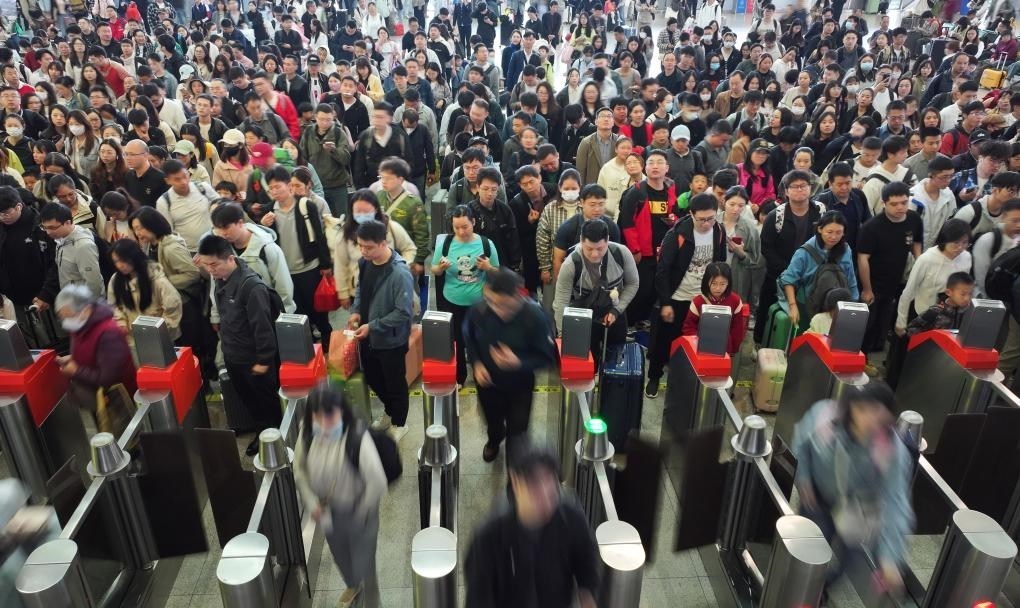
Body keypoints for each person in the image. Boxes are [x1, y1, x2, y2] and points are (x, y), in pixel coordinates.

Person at [792, 382, 914, 600]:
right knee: (808, 547)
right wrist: (804, 477)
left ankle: (821, 588)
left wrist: (890, 557)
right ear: (850, 406)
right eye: (862, 409)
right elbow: (802, 442)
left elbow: (896, 502)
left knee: (847, 561)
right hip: (818, 499)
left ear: (888, 413)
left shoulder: (891, 450)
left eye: (876, 410)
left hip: (858, 512)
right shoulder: (824, 418)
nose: (869, 418)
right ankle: (799, 586)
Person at [466, 443, 600, 607]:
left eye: (551, 490)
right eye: (535, 486)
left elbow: (587, 568)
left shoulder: (571, 517)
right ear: (516, 482)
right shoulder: (488, 537)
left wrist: (587, 596)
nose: (545, 499)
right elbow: (479, 599)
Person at [294, 384, 385, 608]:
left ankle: (373, 602)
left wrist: (361, 512)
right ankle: (353, 586)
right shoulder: (307, 433)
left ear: (341, 411)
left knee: (365, 565)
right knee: (341, 557)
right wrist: (312, 502)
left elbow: (377, 481)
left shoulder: (356, 437)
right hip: (328, 511)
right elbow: (300, 471)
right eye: (318, 416)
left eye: (330, 415)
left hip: (360, 511)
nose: (324, 423)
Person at [196, 234, 282, 457]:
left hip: (254, 360)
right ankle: (262, 432)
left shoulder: (251, 287)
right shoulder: (221, 279)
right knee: (249, 401)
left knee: (267, 403)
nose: (210, 270)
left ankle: (275, 441)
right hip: (233, 355)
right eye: (206, 265)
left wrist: (264, 361)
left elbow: (263, 328)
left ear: (230, 258)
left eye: (214, 264)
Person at [464, 268, 557, 462]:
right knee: (493, 423)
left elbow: (548, 358)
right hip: (488, 384)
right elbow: (469, 336)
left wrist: (519, 362)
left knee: (518, 435)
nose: (499, 311)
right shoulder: (480, 310)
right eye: (494, 303)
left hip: (520, 387)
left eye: (505, 305)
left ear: (518, 296)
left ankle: (515, 471)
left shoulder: (535, 316)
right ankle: (494, 440)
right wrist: (477, 363)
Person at [647, 193, 727, 398]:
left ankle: (685, 378)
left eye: (711, 218)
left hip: (703, 299)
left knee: (695, 341)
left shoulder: (718, 231)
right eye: (702, 219)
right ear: (691, 214)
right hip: (678, 296)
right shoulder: (677, 235)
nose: (707, 224)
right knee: (664, 341)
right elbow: (662, 271)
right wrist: (666, 302)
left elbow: (720, 263)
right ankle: (654, 377)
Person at [347, 218, 416, 442]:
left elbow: (403, 312)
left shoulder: (399, 273)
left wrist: (373, 326)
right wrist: (356, 311)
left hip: (391, 340)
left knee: (395, 383)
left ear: (383, 243)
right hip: (368, 336)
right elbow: (361, 290)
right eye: (360, 245)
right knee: (373, 378)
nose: (363, 251)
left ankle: (400, 422)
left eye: (368, 247)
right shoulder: (365, 263)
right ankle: (389, 411)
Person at [260, 166, 334, 349]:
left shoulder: (305, 205)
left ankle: (327, 339)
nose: (275, 192)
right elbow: (265, 244)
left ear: (288, 185)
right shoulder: (269, 212)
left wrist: (325, 264)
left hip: (310, 268)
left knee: (318, 309)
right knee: (298, 311)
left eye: (278, 186)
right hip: (285, 272)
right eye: (271, 188)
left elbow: (320, 236)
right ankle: (309, 345)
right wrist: (262, 226)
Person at [857, 182, 924, 374]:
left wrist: (920, 268)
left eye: (904, 202)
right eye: (894, 204)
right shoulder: (872, 227)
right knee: (868, 325)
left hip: (899, 282)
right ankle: (860, 359)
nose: (900, 207)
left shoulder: (913, 219)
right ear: (884, 203)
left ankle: (889, 360)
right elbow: (863, 259)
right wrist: (867, 289)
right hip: (874, 283)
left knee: (888, 324)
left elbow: (916, 244)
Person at [552, 219, 639, 363]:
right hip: (583, 315)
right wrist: (564, 334)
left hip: (614, 310)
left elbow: (633, 283)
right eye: (589, 249)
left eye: (600, 249)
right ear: (581, 240)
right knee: (586, 360)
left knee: (615, 357)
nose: (594, 254)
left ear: (608, 240)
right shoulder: (571, 264)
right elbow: (561, 302)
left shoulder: (621, 253)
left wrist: (616, 310)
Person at [755, 170, 825, 344]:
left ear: (811, 188)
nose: (799, 190)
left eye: (803, 186)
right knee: (767, 307)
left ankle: (800, 346)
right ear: (786, 191)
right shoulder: (776, 216)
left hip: (810, 274)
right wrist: (787, 270)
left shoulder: (820, 211)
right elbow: (766, 247)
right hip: (778, 273)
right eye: (794, 186)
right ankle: (760, 342)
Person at [432, 205, 500, 385]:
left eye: (465, 227)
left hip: (479, 302)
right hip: (452, 300)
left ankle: (481, 375)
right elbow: (434, 269)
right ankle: (459, 376)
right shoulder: (445, 244)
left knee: (480, 340)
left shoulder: (486, 244)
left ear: (474, 223)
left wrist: (488, 268)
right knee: (457, 341)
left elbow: (498, 272)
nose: (461, 232)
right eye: (456, 228)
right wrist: (441, 268)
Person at [53, 283, 137, 427]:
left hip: (117, 402)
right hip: (94, 397)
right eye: (62, 318)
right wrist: (73, 357)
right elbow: (90, 350)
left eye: (68, 316)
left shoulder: (108, 333)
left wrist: (76, 371)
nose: (66, 322)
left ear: (86, 310)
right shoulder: (80, 324)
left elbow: (108, 378)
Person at [780, 211, 860, 329]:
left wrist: (853, 305)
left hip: (837, 307)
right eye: (829, 232)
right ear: (820, 229)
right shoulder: (804, 252)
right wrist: (793, 306)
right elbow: (789, 280)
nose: (834, 237)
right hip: (807, 305)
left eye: (839, 232)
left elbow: (851, 279)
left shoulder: (846, 249)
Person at [895, 219, 973, 337]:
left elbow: (963, 286)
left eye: (965, 243)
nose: (960, 247)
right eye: (956, 242)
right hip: (924, 315)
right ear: (945, 239)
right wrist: (901, 322)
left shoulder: (966, 257)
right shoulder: (927, 259)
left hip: (948, 318)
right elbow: (909, 291)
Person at [107, 239, 183, 350]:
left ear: (134, 256)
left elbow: (173, 309)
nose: (119, 265)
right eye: (116, 261)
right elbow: (114, 305)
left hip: (158, 340)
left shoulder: (157, 280)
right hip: (131, 341)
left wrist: (158, 331)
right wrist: (120, 322)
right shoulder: (116, 280)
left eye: (123, 260)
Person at [680, 262, 748, 355]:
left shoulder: (735, 300)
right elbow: (688, 327)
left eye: (722, 284)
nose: (718, 288)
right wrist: (698, 342)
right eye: (714, 283)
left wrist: (733, 349)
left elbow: (737, 329)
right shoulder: (698, 302)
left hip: (725, 349)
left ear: (728, 283)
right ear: (706, 282)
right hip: (701, 347)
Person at [38, 203, 104, 299]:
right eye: (44, 227)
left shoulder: (83, 246)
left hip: (84, 303)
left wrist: (90, 306)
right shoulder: (61, 239)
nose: (48, 232)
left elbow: (94, 284)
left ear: (68, 222)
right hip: (70, 300)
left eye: (52, 228)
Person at [299, 103, 352, 216]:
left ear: (333, 118)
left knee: (341, 218)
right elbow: (302, 158)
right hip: (316, 186)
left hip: (337, 185)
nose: (325, 123)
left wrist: (334, 150)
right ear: (315, 117)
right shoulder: (308, 132)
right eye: (321, 119)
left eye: (328, 120)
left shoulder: (338, 133)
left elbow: (346, 159)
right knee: (320, 217)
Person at [156, 160, 216, 252]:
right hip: (188, 251)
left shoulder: (203, 188)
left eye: (185, 176)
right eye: (177, 179)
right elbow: (168, 234)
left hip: (214, 243)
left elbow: (221, 206)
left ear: (188, 173)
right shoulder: (164, 202)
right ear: (168, 181)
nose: (183, 182)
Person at [907, 271, 974, 335]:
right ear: (949, 292)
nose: (967, 298)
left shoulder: (969, 313)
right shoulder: (936, 311)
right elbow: (911, 329)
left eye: (970, 294)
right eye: (963, 294)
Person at [123, 139, 167, 209]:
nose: (128, 158)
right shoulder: (129, 175)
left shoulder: (160, 178)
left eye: (132, 154)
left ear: (145, 155)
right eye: (126, 154)